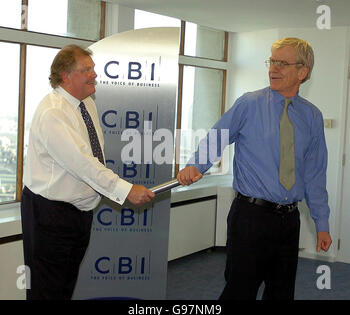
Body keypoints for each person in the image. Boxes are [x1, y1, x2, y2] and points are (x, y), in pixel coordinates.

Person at [177, 37, 332, 300]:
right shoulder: (249, 103)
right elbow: (217, 136)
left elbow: (315, 173)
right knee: (239, 291)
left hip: (289, 221)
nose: (273, 68)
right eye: (272, 62)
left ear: (302, 72)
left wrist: (322, 222)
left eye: (283, 63)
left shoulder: (312, 116)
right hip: (250, 217)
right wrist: (196, 165)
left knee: (281, 293)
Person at [20, 45, 155, 300]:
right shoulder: (53, 113)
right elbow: (83, 163)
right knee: (46, 290)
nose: (94, 75)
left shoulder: (86, 103)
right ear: (65, 76)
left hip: (78, 212)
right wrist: (125, 190)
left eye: (93, 69)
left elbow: (94, 156)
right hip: (50, 214)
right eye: (86, 70)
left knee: (64, 285)